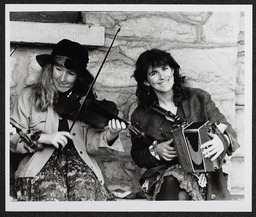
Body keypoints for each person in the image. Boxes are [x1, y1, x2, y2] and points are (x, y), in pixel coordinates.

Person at [10, 39, 126, 201]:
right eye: (58, 69)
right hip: (39, 164)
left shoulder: (83, 101)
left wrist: (110, 135)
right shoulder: (29, 96)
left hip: (79, 162)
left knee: (84, 196)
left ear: (78, 77)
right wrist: (43, 138)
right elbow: (11, 138)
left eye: (71, 74)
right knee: (51, 196)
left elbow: (90, 144)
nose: (63, 78)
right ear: (49, 68)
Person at [130, 49, 240, 200]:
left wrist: (223, 141)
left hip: (205, 175)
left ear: (173, 70)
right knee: (173, 185)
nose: (162, 76)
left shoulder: (199, 98)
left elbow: (226, 128)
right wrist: (156, 151)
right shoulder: (140, 115)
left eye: (165, 68)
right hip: (164, 176)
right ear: (146, 81)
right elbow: (137, 155)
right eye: (153, 73)